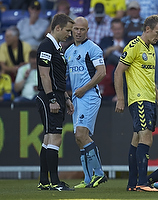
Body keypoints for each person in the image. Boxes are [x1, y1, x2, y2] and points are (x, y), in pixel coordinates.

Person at [114, 15, 158, 192]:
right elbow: (118, 72)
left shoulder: (151, 50)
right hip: (138, 99)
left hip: (149, 99)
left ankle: (132, 183)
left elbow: (149, 80)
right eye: (157, 32)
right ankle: (142, 183)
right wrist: (121, 98)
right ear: (147, 29)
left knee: (137, 139)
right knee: (146, 137)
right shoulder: (134, 46)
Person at [65, 16, 107, 189]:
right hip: (77, 97)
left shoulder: (93, 49)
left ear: (87, 30)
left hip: (89, 95)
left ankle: (99, 173)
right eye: (76, 29)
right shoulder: (68, 51)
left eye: (82, 29)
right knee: (78, 139)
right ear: (72, 30)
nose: (79, 32)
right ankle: (88, 179)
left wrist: (84, 88)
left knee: (81, 135)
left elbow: (102, 72)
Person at [36, 13, 75, 191]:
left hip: (57, 95)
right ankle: (55, 182)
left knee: (48, 138)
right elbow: (44, 74)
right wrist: (52, 98)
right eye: (68, 30)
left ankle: (44, 180)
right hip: (48, 96)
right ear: (57, 28)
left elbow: (57, 77)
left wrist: (65, 97)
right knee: (55, 137)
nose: (70, 34)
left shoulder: (57, 47)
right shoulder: (46, 46)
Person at [122, 1, 158, 87]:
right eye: (131, 10)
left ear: (139, 10)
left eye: (135, 9)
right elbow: (121, 35)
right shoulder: (124, 22)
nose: (133, 12)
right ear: (128, 11)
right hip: (129, 47)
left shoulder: (145, 22)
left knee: (157, 51)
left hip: (145, 46)